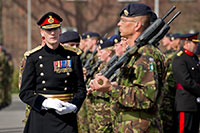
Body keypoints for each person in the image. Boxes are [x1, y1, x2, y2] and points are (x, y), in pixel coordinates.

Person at [90, 3, 165, 132]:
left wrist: (111, 88)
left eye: (124, 21)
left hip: (140, 127)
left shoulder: (145, 54)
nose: (119, 24)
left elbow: (146, 98)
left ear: (137, 25)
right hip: (128, 126)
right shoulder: (134, 53)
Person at [19, 12, 86, 133]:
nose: (52, 33)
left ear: (60, 30)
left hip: (66, 115)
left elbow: (81, 89)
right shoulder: (33, 57)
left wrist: (74, 105)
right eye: (48, 30)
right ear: (42, 32)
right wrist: (45, 102)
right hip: (42, 115)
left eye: (55, 29)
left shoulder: (72, 56)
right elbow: (25, 92)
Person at [172, 32, 200, 133]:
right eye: (194, 43)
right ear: (186, 43)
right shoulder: (180, 58)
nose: (196, 46)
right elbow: (185, 81)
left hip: (195, 104)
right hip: (185, 103)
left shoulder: (193, 58)